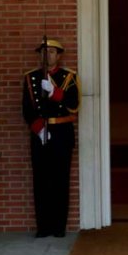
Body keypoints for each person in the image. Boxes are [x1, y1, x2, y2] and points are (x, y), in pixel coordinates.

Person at [22, 39, 81, 238]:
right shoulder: (30, 78)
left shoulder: (69, 77)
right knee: (41, 180)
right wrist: (39, 129)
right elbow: (27, 109)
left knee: (60, 180)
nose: (48, 55)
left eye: (52, 52)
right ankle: (43, 227)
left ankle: (58, 227)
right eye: (44, 52)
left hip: (62, 133)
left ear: (59, 55)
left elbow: (74, 105)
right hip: (40, 134)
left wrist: (54, 92)